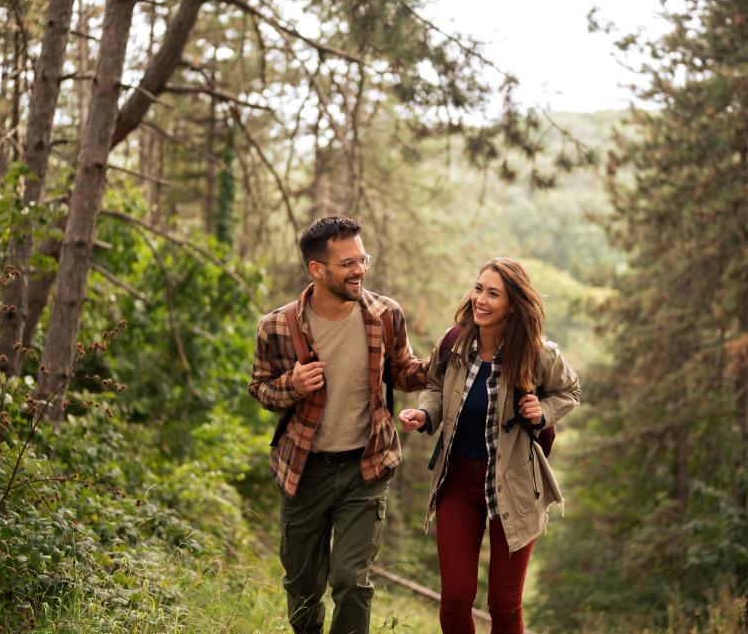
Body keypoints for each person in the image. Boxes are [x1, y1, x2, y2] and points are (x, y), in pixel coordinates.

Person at [248, 215, 429, 634]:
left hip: (364, 469)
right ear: (317, 269)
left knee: (350, 580)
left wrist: (450, 356)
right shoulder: (276, 326)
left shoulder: (385, 314)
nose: (360, 270)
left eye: (362, 259)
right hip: (303, 470)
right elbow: (259, 389)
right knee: (303, 585)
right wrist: (290, 385)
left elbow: (404, 373)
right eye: (348, 263)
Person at [397, 257, 581, 634]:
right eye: (479, 288)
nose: (480, 299)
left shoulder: (538, 353)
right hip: (459, 481)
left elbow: (569, 391)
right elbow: (434, 386)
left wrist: (541, 410)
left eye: (493, 293)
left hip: (514, 485)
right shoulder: (455, 342)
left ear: (513, 303)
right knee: (455, 597)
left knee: (504, 603)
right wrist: (426, 415)